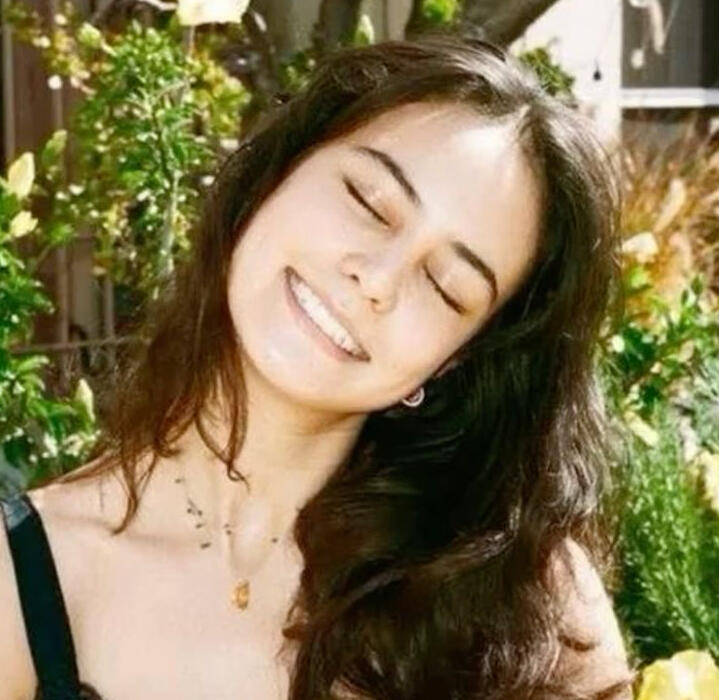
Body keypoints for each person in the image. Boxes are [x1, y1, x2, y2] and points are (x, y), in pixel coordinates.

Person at [0, 32, 634, 699]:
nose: (377, 279)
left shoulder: (533, 608)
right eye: (368, 201)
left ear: (453, 361)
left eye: (445, 285)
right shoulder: (24, 581)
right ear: (277, 171)